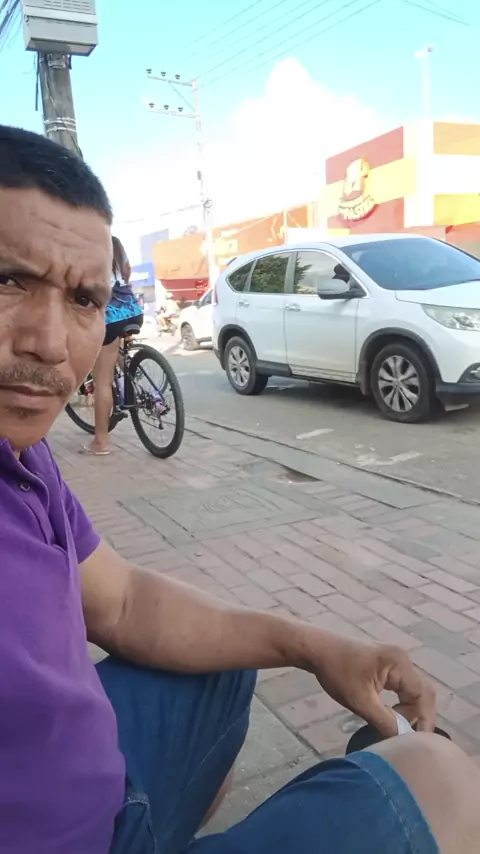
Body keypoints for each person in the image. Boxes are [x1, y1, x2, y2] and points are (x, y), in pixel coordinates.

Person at [0, 123, 479, 854]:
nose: (50, 342)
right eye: (8, 281)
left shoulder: (26, 456)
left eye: (85, 299)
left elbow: (121, 599)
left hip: (100, 785)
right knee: (442, 780)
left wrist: (309, 645)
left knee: (230, 665)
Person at [84, 235, 143, 455]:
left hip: (110, 317)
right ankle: (131, 371)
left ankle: (101, 442)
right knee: (112, 351)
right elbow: (127, 272)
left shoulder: (90, 249)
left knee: (103, 383)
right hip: (133, 311)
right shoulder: (116, 245)